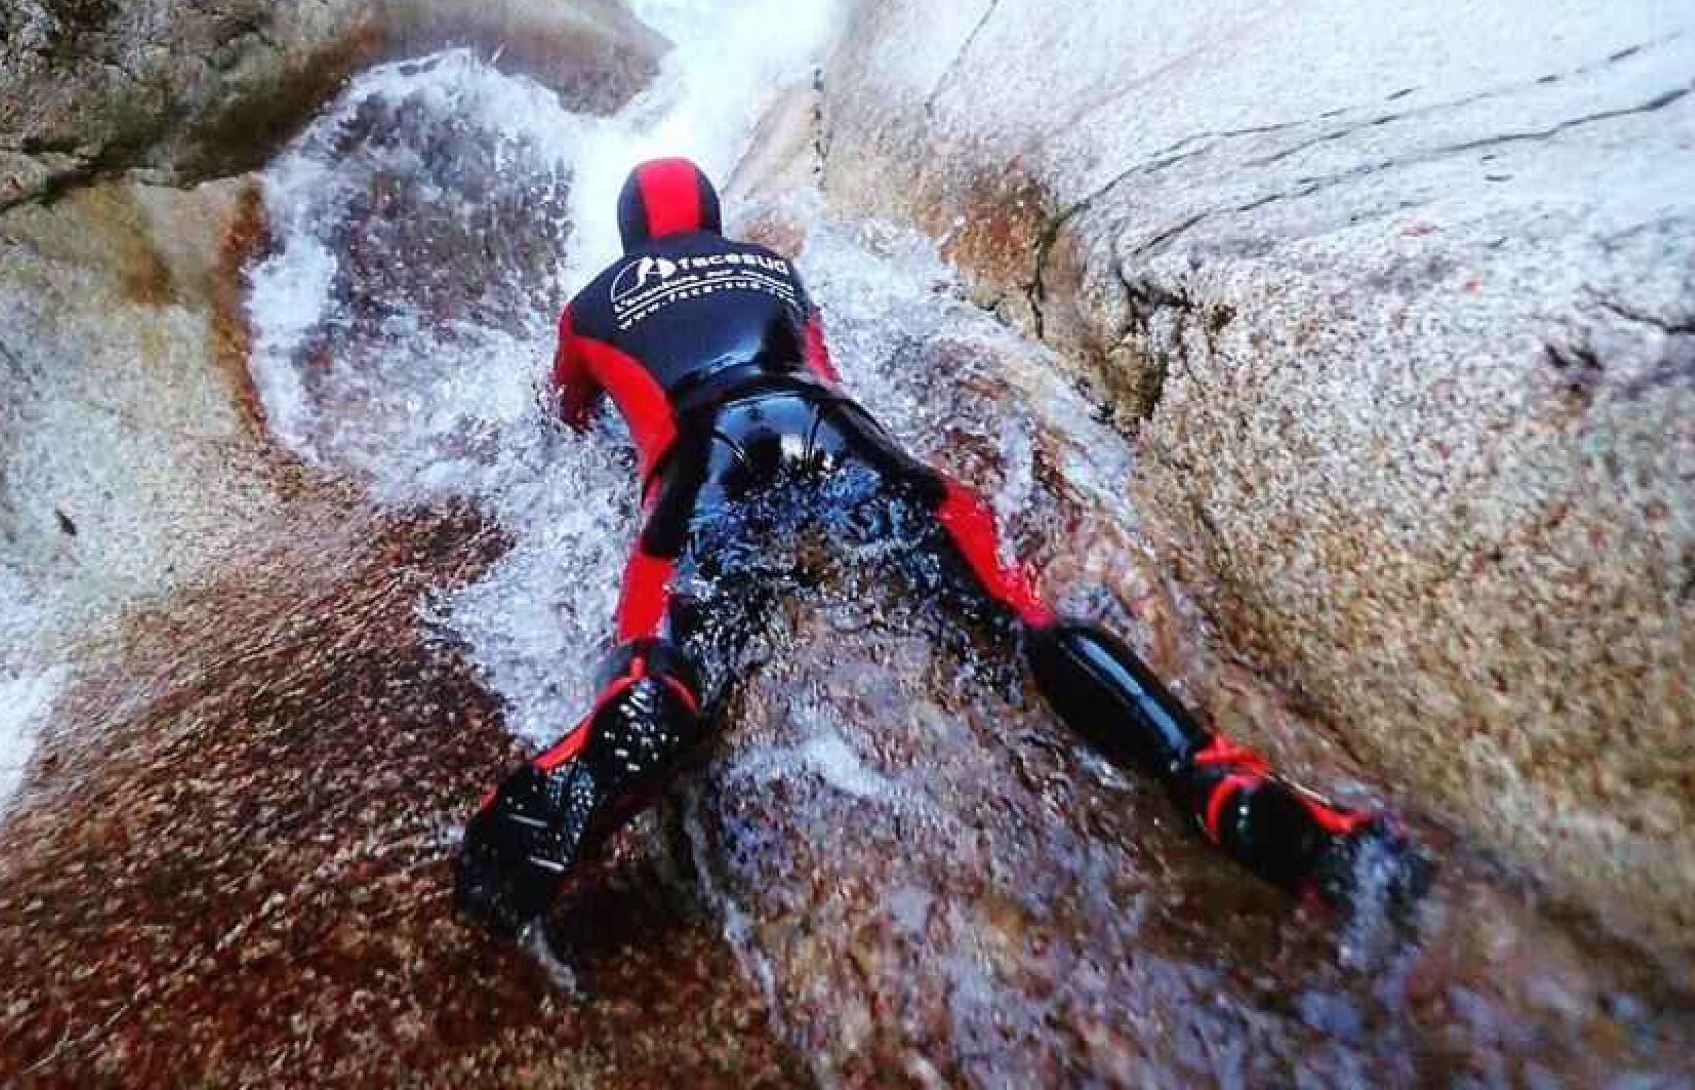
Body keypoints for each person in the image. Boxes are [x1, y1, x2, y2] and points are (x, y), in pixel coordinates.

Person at [456, 157, 1423, 936]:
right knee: (1015, 614)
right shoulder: (773, 268)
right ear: (712, 214)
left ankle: (639, 707)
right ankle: (1211, 776)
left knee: (667, 650)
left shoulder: (590, 304)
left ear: (631, 233)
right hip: (829, 426)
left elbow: (569, 417)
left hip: (705, 452)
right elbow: (826, 372)